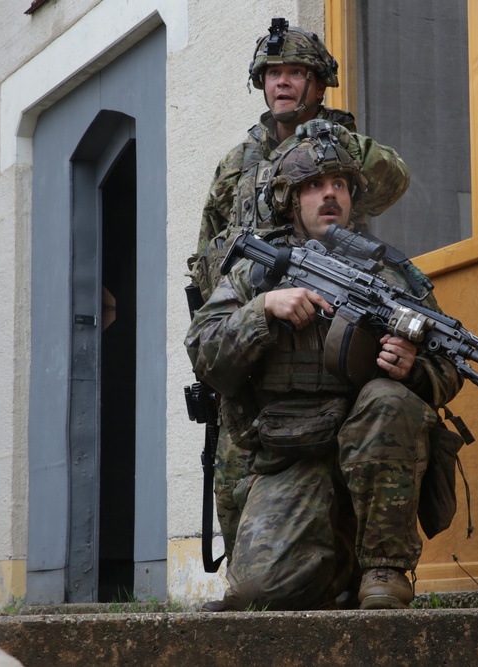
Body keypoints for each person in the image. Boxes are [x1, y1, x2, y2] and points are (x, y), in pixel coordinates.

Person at [185, 133, 463, 611]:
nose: (329, 193)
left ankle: (384, 571)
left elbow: (449, 363)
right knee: (258, 593)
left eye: (340, 183)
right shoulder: (256, 271)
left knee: (390, 399)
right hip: (291, 454)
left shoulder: (389, 275)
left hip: (369, 446)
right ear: (291, 200)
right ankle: (334, 568)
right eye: (313, 185)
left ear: (353, 198)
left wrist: (414, 370)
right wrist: (264, 309)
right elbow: (204, 352)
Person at [188, 17, 411, 571]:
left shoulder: (342, 149)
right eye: (272, 74)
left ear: (318, 83)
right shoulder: (235, 164)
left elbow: (393, 183)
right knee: (235, 476)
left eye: (295, 73)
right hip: (252, 328)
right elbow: (207, 257)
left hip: (330, 324)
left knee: (348, 450)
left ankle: (356, 573)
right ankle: (251, 588)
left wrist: (330, 151)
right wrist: (224, 325)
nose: (282, 83)